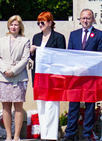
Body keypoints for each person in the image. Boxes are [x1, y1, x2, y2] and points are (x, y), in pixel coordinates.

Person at [64, 8, 102, 141]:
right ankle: (70, 133)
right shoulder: (73, 34)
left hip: (91, 76)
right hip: (75, 75)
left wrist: (86, 68)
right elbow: (69, 54)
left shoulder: (100, 35)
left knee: (89, 105)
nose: (85, 21)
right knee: (73, 105)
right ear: (80, 20)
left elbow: (100, 54)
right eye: (83, 18)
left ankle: (87, 133)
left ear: (93, 19)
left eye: (88, 18)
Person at [30, 11, 67, 140]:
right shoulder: (36, 37)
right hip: (39, 77)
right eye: (38, 23)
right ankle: (44, 134)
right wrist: (33, 52)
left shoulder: (59, 37)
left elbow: (61, 57)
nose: (40, 25)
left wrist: (43, 51)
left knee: (52, 105)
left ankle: (51, 136)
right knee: (41, 106)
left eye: (42, 22)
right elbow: (33, 58)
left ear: (50, 22)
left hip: (52, 77)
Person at [0, 15, 32, 141]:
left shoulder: (25, 41)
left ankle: (16, 136)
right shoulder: (1, 40)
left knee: (18, 106)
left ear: (20, 26)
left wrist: (14, 71)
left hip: (19, 77)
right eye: (11, 24)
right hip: (3, 76)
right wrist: (6, 70)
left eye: (16, 25)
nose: (13, 27)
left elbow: (25, 58)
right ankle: (8, 135)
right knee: (6, 106)